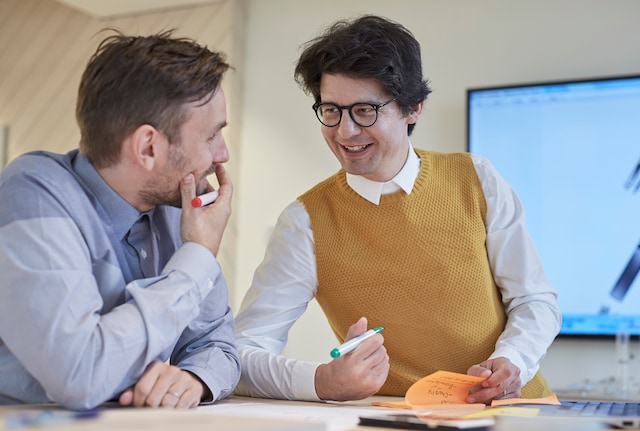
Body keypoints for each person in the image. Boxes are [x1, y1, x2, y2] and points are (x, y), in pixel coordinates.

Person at [234, 15, 561, 404]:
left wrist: (512, 360)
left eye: (365, 111)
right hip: (394, 420)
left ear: (414, 108)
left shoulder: (476, 179)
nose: (345, 132)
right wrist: (322, 381)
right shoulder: (305, 222)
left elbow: (534, 300)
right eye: (331, 110)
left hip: (513, 410)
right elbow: (241, 352)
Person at [0, 30, 240, 410]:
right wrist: (196, 258)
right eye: (212, 136)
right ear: (148, 147)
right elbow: (80, 373)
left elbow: (219, 346)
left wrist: (193, 377)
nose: (223, 154)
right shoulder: (32, 192)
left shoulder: (178, 205)